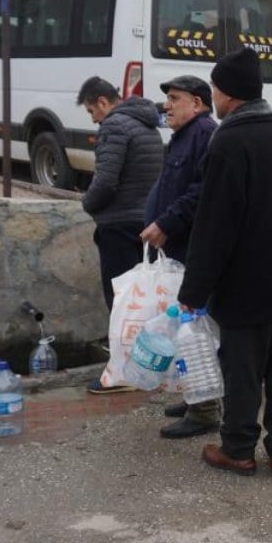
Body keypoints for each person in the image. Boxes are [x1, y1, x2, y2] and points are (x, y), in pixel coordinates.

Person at [177, 47, 272, 479]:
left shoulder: (229, 143)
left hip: (246, 287)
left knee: (242, 370)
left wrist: (194, 290)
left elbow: (213, 227)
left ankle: (238, 449)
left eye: (216, 89)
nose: (214, 96)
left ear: (228, 95)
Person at [139, 74, 221, 439]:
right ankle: (195, 399)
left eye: (174, 98)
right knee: (184, 328)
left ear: (198, 103)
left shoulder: (204, 134)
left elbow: (200, 192)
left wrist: (166, 222)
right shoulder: (184, 137)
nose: (166, 105)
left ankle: (205, 411)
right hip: (178, 248)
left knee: (195, 332)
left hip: (192, 249)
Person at [76, 76, 164, 394]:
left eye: (91, 111)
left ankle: (123, 373)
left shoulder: (114, 126)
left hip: (118, 224)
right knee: (141, 303)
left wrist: (86, 203)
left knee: (120, 304)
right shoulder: (148, 125)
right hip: (145, 223)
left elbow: (105, 182)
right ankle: (144, 368)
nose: (94, 119)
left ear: (103, 101)